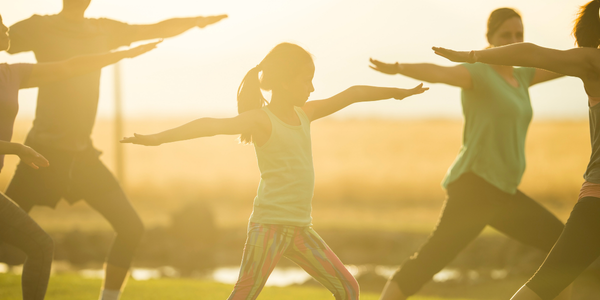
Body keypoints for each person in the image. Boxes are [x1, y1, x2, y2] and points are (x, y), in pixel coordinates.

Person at [121, 42, 428, 300]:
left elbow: (354, 92)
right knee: (244, 294)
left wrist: (397, 92)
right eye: (306, 79)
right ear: (284, 82)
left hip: (300, 229)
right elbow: (210, 126)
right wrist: (157, 139)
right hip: (268, 227)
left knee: (349, 288)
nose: (312, 87)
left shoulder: (306, 113)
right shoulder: (261, 120)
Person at [2, 1, 226, 299]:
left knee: (131, 228)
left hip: (82, 156)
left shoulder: (103, 29)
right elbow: (6, 40)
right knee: (14, 246)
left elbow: (154, 29)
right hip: (42, 154)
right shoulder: (39, 27)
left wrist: (197, 20)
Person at [369, 8, 569, 300]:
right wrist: (400, 67)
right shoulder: (480, 72)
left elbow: (567, 64)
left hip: (502, 191)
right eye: (505, 36)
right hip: (475, 187)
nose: (513, 41)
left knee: (563, 246)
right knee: (430, 260)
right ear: (489, 39)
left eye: (519, 36)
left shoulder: (523, 75)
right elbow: (439, 73)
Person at [433, 1, 600, 299]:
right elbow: (531, 53)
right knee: (546, 285)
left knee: (554, 280)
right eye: (506, 33)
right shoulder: (593, 61)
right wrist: (473, 57)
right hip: (596, 199)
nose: (513, 38)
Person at [0, 14, 157, 300]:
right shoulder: (29, 46)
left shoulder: (12, 73)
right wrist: (17, 149)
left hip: (76, 158)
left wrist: (123, 54)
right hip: (40, 153)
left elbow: (71, 66)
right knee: (34, 247)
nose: (7, 26)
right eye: (0, 22)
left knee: (38, 247)